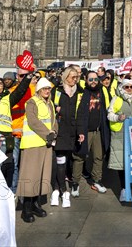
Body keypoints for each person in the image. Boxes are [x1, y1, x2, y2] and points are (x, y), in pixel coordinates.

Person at [17, 77, 58, 223]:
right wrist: (49, 134)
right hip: (32, 144)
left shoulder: (50, 103)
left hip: (45, 144)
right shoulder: (32, 102)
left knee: (41, 176)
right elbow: (33, 121)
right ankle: (26, 208)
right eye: (45, 88)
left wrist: (54, 133)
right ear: (39, 90)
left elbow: (53, 121)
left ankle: (35, 204)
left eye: (49, 89)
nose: (47, 91)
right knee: (30, 176)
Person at [107, 78, 132, 202]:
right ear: (122, 88)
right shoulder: (117, 99)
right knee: (122, 163)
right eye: (126, 87)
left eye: (131, 87)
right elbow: (109, 114)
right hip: (120, 134)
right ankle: (124, 188)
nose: (129, 89)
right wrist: (118, 117)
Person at [72, 71, 110, 197]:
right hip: (85, 131)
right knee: (79, 157)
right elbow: (79, 114)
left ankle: (96, 181)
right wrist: (80, 131)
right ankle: (75, 183)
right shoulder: (82, 93)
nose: (93, 81)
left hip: (99, 130)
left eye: (95, 79)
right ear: (86, 80)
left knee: (98, 157)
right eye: (90, 79)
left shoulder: (102, 91)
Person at [50, 66, 83, 208]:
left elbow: (81, 114)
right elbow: (49, 108)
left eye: (76, 77)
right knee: (60, 161)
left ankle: (58, 190)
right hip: (60, 131)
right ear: (65, 77)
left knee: (66, 161)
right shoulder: (57, 91)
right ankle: (62, 191)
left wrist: (80, 131)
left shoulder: (79, 92)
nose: (75, 79)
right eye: (72, 77)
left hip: (72, 131)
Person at [9, 68, 36, 195]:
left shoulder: (35, 90)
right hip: (15, 133)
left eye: (26, 76)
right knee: (14, 165)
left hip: (29, 134)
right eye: (21, 76)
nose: (23, 78)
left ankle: (27, 192)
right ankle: (14, 191)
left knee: (28, 166)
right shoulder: (10, 91)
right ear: (17, 76)